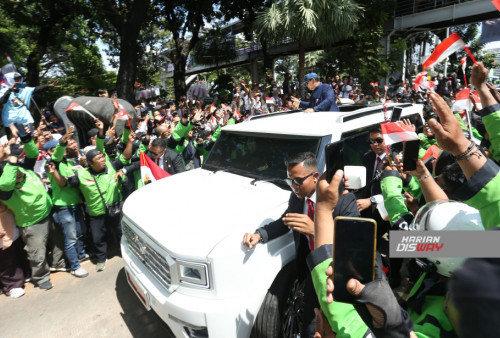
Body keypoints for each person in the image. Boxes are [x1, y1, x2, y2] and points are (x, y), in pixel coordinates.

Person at [242, 152, 359, 337]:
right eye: (290, 181)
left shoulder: (343, 200)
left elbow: (356, 242)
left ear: (315, 177)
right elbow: (286, 221)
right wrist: (260, 235)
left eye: (298, 181)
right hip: (314, 271)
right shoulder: (297, 197)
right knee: (311, 326)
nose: (294, 187)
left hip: (339, 272)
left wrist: (316, 230)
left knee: (340, 326)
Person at [63, 119, 135, 272]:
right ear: (89, 163)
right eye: (99, 159)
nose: (103, 160)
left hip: (115, 208)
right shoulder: (81, 174)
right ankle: (101, 259)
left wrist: (128, 141)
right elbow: (64, 183)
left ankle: (125, 252)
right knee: (98, 238)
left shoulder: (110, 164)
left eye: (103, 157)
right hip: (96, 213)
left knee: (120, 231)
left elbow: (125, 157)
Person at [0, 127, 66, 291]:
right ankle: (40, 277)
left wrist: (27, 138)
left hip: (48, 213)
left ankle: (58, 264)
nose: (18, 173)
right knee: (37, 253)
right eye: (14, 172)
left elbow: (32, 155)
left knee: (57, 242)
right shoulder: (5, 189)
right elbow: (7, 181)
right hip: (31, 223)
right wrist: (13, 158)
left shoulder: (23, 169)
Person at [46, 126, 89, 278]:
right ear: (51, 151)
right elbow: (63, 182)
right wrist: (64, 139)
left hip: (75, 204)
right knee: (70, 238)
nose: (64, 150)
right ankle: (74, 266)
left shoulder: (68, 163)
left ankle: (81, 254)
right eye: (58, 148)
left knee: (79, 232)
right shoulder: (53, 164)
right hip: (63, 207)